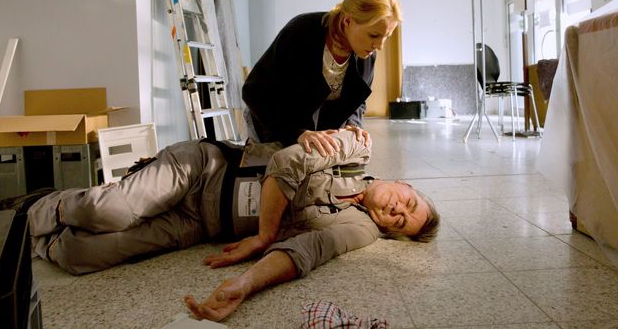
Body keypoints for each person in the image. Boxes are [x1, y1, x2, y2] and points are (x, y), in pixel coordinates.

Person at [24, 129, 439, 319]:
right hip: (203, 168)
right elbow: (287, 162)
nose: (397, 211)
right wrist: (265, 234)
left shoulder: (360, 229)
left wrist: (243, 285)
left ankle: (47, 240)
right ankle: (37, 211)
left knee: (83, 254)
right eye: (408, 202)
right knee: (109, 212)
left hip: (200, 224)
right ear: (405, 184)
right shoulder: (358, 148)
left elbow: (306, 251)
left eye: (401, 222)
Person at [242, 0, 402, 156]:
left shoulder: (367, 54)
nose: (379, 45)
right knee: (276, 168)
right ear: (348, 20)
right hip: (272, 122)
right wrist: (296, 132)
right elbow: (254, 92)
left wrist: (353, 124)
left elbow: (358, 101)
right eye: (374, 35)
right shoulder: (300, 32)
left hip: (316, 132)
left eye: (386, 36)